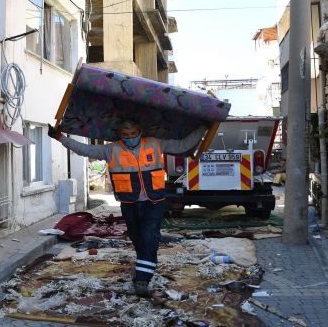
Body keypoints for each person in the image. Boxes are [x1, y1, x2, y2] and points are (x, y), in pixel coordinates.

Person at [48, 120, 208, 296]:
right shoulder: (111, 149)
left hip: (153, 201)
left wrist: (203, 127)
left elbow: (183, 145)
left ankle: (142, 279)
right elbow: (85, 150)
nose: (130, 138)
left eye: (133, 134)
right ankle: (146, 263)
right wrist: (60, 137)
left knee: (149, 236)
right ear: (120, 134)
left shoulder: (155, 144)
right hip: (129, 203)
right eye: (126, 135)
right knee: (138, 238)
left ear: (140, 131)